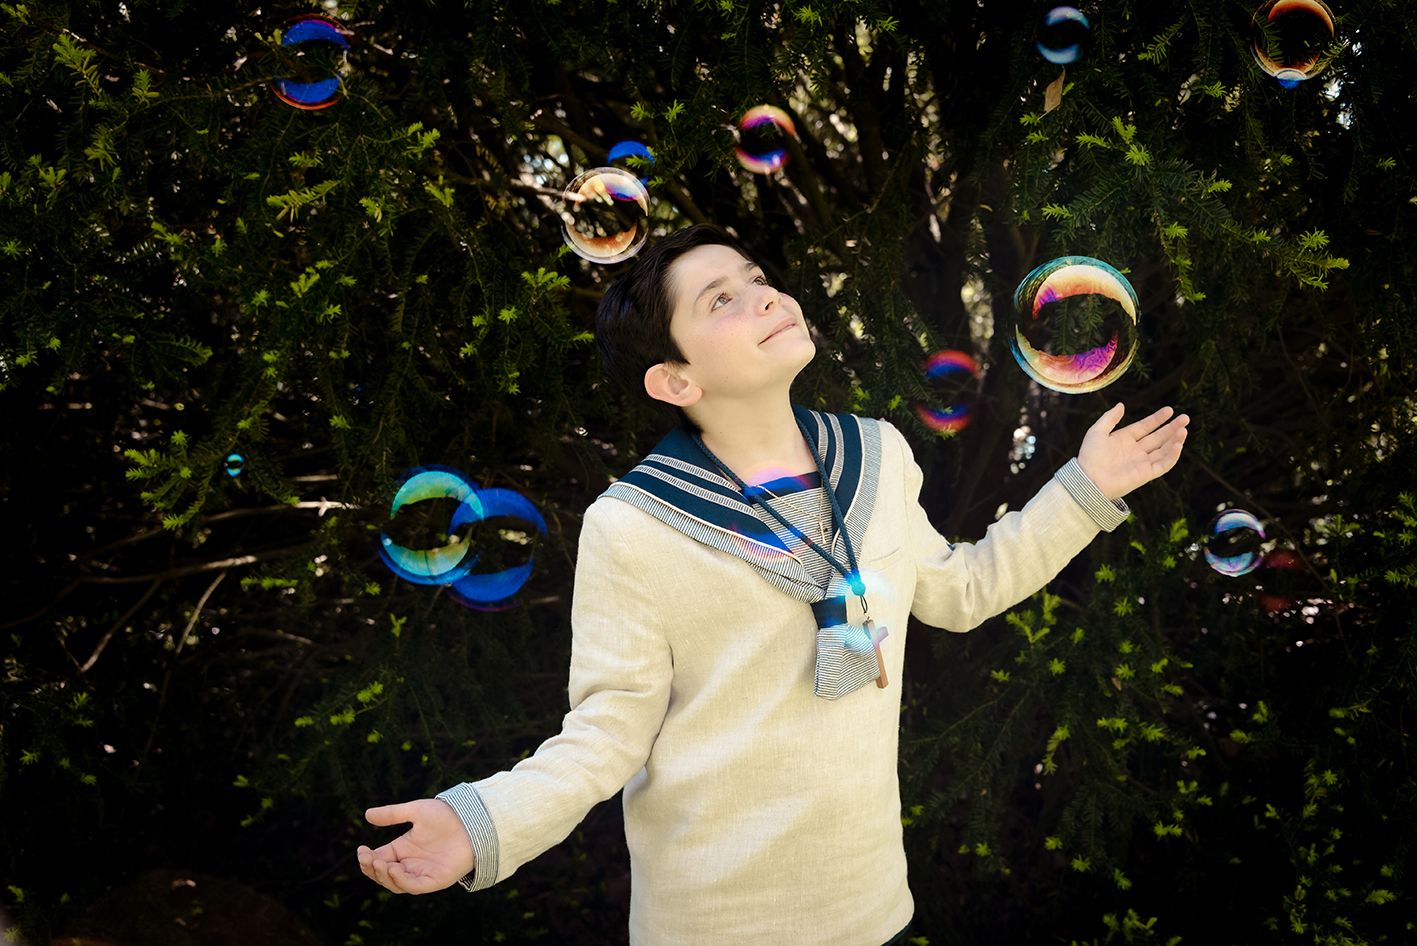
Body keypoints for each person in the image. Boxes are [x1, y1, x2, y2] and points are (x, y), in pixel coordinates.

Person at [357, 225, 1190, 945]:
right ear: (676, 381)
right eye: (718, 300)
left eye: (756, 280)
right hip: (710, 927)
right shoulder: (634, 523)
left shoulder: (876, 453)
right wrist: (480, 823)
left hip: (868, 910)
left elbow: (961, 589)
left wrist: (1084, 488)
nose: (762, 296)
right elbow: (606, 735)